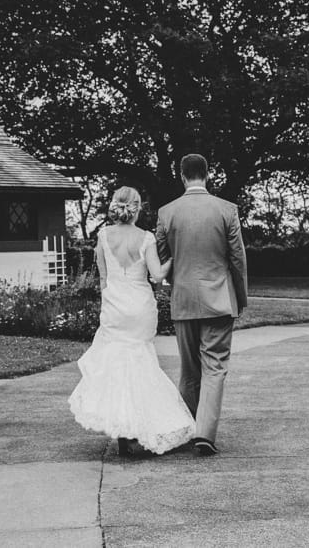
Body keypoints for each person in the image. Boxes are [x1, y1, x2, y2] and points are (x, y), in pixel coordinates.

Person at [68, 186, 196, 455]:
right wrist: (172, 257)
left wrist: (109, 305)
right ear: (137, 208)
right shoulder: (146, 238)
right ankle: (139, 426)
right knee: (141, 362)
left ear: (116, 207)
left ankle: (123, 432)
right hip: (139, 307)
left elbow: (103, 278)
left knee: (117, 366)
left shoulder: (103, 236)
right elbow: (158, 275)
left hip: (114, 304)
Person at [156, 154, 247, 456]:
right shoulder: (226, 210)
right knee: (215, 367)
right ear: (208, 175)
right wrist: (240, 297)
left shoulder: (167, 213)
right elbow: (237, 259)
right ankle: (204, 435)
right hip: (219, 300)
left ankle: (186, 429)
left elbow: (161, 258)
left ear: (182, 176)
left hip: (183, 300)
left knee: (189, 370)